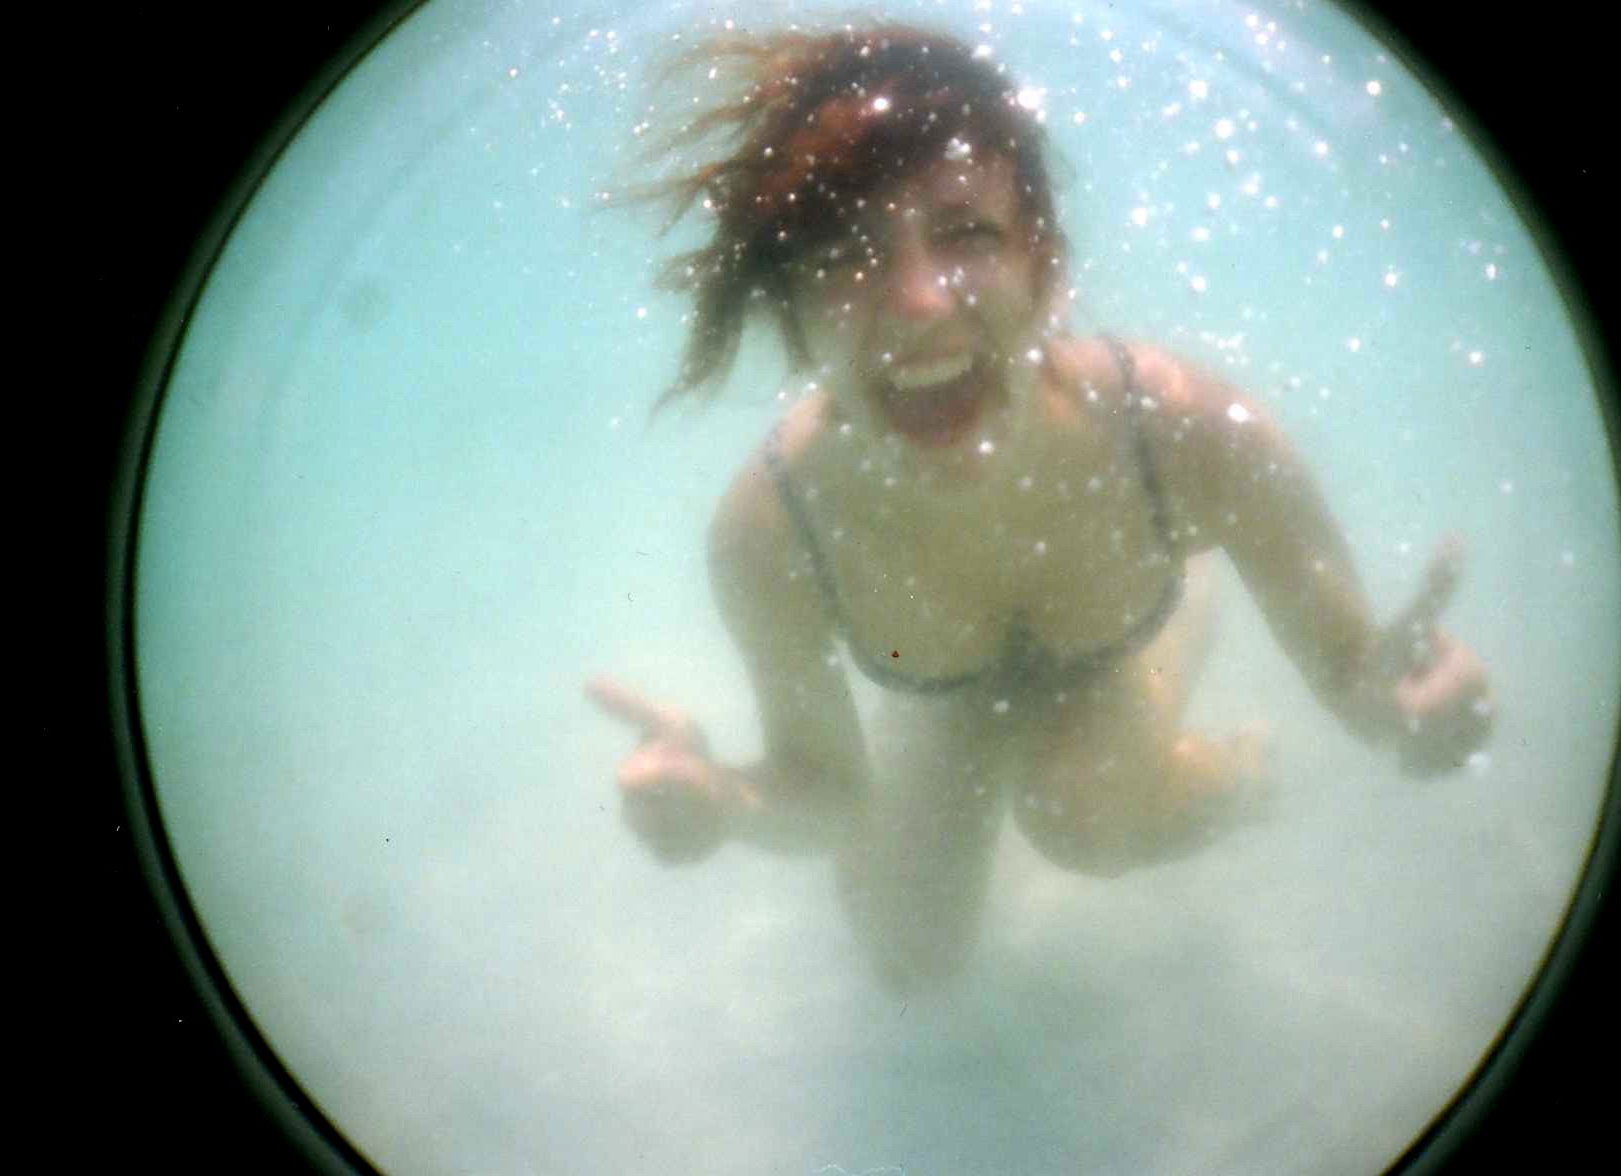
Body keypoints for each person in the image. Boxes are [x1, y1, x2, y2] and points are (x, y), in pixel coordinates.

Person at [588, 24, 1492, 992]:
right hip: (950, 696)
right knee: (906, 959)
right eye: (846, 254)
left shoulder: (1185, 429)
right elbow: (828, 792)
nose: (919, 303)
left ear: (1045, 265)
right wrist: (728, 801)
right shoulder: (773, 534)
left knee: (1081, 818)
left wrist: (1397, 710)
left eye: (965, 234)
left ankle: (1248, 776)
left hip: (1134, 635)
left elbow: (1350, 668)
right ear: (790, 313)